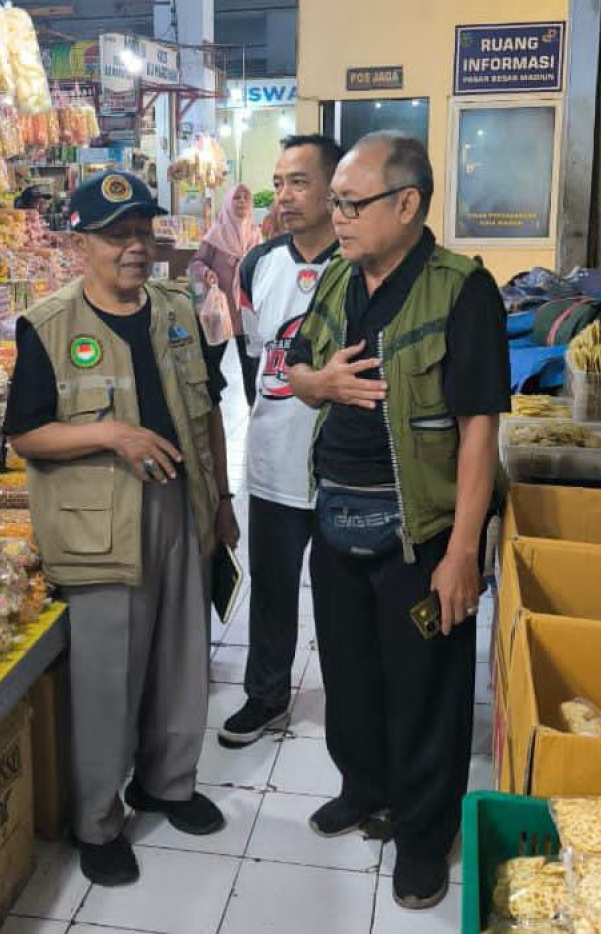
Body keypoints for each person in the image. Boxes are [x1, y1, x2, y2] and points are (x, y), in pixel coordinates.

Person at [285, 132, 509, 910]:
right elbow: (295, 371)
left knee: (425, 690)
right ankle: (364, 787)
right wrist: (322, 383)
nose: (335, 216)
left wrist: (463, 551)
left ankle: (422, 835)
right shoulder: (338, 281)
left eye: (351, 203)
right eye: (335, 202)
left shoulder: (461, 290)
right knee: (349, 674)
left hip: (420, 530)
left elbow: (480, 426)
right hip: (336, 515)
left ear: (407, 204)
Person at [4, 170, 241, 887]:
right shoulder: (49, 326)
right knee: (108, 678)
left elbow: (206, 414)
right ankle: (98, 820)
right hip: (100, 520)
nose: (134, 247)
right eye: (116, 235)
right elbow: (26, 436)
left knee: (180, 656)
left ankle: (167, 783)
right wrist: (112, 433)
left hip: (182, 505)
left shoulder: (175, 308)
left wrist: (223, 501)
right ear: (81, 244)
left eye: (142, 231)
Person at [219, 134, 342, 748]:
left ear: (333, 187)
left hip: (342, 471)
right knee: (270, 594)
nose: (285, 196)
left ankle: (350, 707)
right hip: (271, 465)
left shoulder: (358, 266)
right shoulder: (257, 265)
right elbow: (249, 363)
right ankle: (265, 695)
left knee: (344, 602)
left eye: (300, 181)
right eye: (280, 182)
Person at [188, 183, 263, 404]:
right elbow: (195, 263)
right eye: (236, 198)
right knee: (209, 367)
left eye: (245, 198)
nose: (241, 202)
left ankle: (254, 413)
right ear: (228, 203)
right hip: (220, 314)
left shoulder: (256, 235)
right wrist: (207, 272)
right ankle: (208, 409)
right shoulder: (216, 234)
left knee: (253, 371)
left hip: (247, 314)